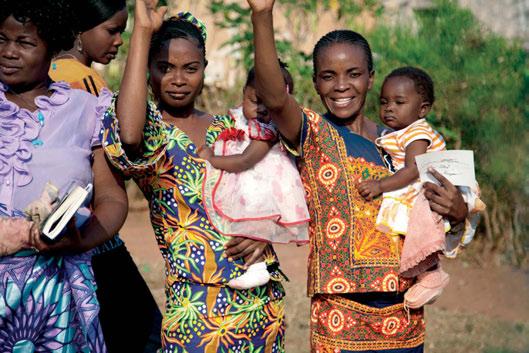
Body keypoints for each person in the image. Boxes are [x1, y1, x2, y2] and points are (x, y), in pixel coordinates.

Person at [247, 0, 479, 351]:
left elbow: (440, 217)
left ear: (371, 78)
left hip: (404, 315)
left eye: (353, 74)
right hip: (339, 314)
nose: (341, 86)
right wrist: (262, 15)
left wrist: (459, 213)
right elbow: (275, 97)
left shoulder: (403, 141)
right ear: (315, 82)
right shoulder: (314, 135)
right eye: (328, 76)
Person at [100, 1, 285, 351]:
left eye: (191, 68)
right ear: (148, 70)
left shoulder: (229, 127)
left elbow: (274, 189)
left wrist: (266, 228)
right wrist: (141, 31)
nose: (178, 79)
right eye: (165, 67)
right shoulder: (151, 133)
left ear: (205, 69)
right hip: (195, 306)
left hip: (261, 303)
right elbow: (128, 136)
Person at [0, 0, 128, 352]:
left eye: (24, 43)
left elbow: (113, 199)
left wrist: (80, 241)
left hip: (57, 303)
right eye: (1, 40)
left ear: (53, 46)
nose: (9, 52)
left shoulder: (87, 109)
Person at [49, 1, 163, 351]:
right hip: (92, 231)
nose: (118, 41)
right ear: (81, 31)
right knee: (143, 332)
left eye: (122, 32)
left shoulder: (61, 71)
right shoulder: (78, 79)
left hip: (83, 227)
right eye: (111, 31)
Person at [357, 67, 484, 309]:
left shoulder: (417, 133)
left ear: (422, 109)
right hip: (420, 183)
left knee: (419, 224)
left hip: (432, 185)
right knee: (409, 228)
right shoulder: (397, 132)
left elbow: (413, 169)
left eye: (399, 102)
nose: (389, 108)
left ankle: (431, 274)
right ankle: (423, 274)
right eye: (384, 102)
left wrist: (380, 185)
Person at [198, 63, 309, 290]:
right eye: (254, 100)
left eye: (270, 104)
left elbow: (244, 161)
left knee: (253, 218)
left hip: (262, 183)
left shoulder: (268, 130)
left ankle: (258, 267)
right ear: (243, 94)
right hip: (249, 177)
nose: (261, 109)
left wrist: (211, 158)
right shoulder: (239, 120)